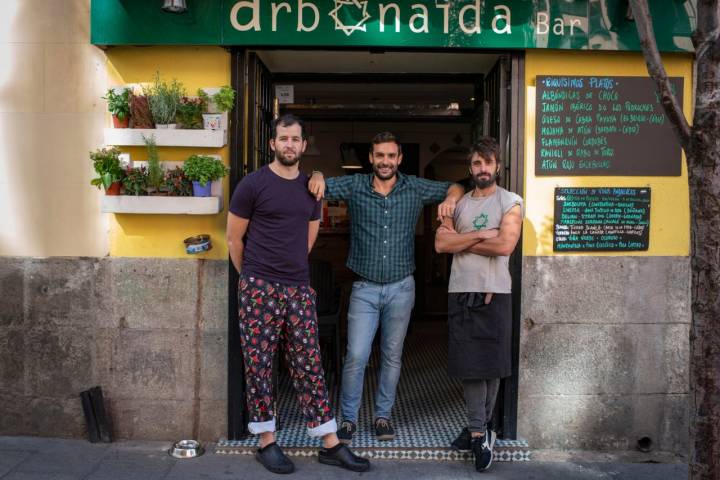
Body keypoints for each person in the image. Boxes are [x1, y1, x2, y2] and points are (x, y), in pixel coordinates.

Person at [226, 114, 370, 474]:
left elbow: (308, 239)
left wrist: (288, 273)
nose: (289, 144)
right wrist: (253, 279)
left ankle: (329, 442)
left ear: (304, 146)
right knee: (259, 364)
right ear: (273, 144)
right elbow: (233, 239)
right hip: (258, 286)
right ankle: (266, 441)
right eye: (283, 138)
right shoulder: (252, 185)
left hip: (298, 287)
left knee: (309, 364)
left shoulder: (312, 188)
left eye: (295, 139)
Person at [308, 132, 464, 444]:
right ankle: (349, 420)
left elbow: (457, 187)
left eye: (391, 156)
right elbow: (319, 184)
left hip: (402, 287)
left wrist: (450, 198)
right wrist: (316, 173)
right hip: (364, 288)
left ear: (399, 159)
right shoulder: (355, 185)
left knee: (392, 355)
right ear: (371, 158)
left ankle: (383, 417)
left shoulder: (414, 187)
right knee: (356, 355)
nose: (385, 162)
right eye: (380, 155)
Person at [434, 137, 523, 472]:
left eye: (487, 163)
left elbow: (504, 245)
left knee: (492, 365)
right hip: (461, 291)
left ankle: (478, 430)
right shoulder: (458, 203)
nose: (482, 169)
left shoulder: (511, 201)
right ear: (469, 168)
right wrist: (481, 236)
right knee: (470, 367)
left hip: (495, 292)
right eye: (476, 163)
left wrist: (463, 241)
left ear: (497, 166)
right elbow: (442, 243)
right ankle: (479, 430)